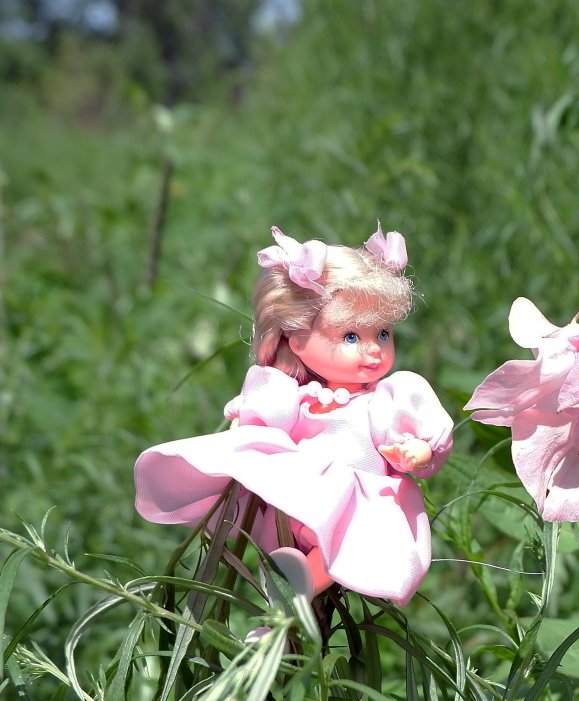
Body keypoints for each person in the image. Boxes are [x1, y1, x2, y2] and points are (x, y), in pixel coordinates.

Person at [134, 224, 453, 606]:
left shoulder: (386, 398)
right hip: (301, 501)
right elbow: (265, 422)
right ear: (297, 340)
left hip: (360, 507)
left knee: (342, 540)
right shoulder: (291, 395)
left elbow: (413, 437)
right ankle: (285, 617)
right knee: (285, 505)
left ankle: (292, 599)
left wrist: (417, 449)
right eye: (351, 336)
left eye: (383, 333)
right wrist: (244, 427)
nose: (373, 350)